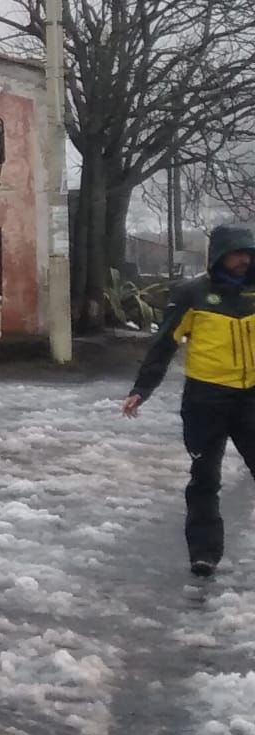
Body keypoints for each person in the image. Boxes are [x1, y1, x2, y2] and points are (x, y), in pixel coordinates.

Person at [122, 223, 255, 576]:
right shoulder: (191, 294)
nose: (244, 260)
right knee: (205, 477)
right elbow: (164, 344)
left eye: (249, 254)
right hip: (205, 401)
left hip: (250, 400)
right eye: (237, 253)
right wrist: (141, 389)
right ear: (220, 256)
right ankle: (204, 553)